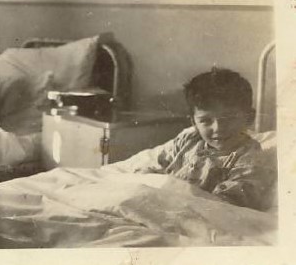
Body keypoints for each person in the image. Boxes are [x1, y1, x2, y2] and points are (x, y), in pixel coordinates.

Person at [105, 68, 276, 211]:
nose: (218, 128)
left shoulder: (249, 157)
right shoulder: (189, 139)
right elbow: (160, 166)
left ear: (249, 117)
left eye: (228, 118)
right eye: (206, 121)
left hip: (196, 212)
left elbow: (230, 206)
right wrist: (148, 177)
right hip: (164, 202)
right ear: (193, 121)